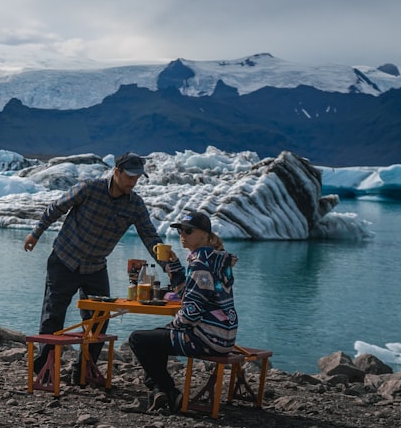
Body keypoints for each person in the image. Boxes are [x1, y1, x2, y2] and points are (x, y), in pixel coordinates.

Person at [23, 152, 178, 378]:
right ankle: (45, 371)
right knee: (53, 317)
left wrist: (167, 266)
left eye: (137, 178)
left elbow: (150, 237)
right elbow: (56, 207)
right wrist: (35, 234)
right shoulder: (89, 189)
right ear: (116, 172)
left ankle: (84, 371)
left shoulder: (135, 204)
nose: (133, 182)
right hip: (64, 260)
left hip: (95, 267)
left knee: (98, 321)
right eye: (129, 177)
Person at [127, 210, 239, 413]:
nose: (182, 235)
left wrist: (172, 326)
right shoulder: (216, 260)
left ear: (205, 235)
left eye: (188, 230)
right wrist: (174, 265)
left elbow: (192, 312)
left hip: (206, 338)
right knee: (157, 338)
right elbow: (190, 294)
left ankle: (170, 393)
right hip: (224, 337)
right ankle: (161, 393)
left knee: (138, 339)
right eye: (180, 231)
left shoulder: (200, 264)